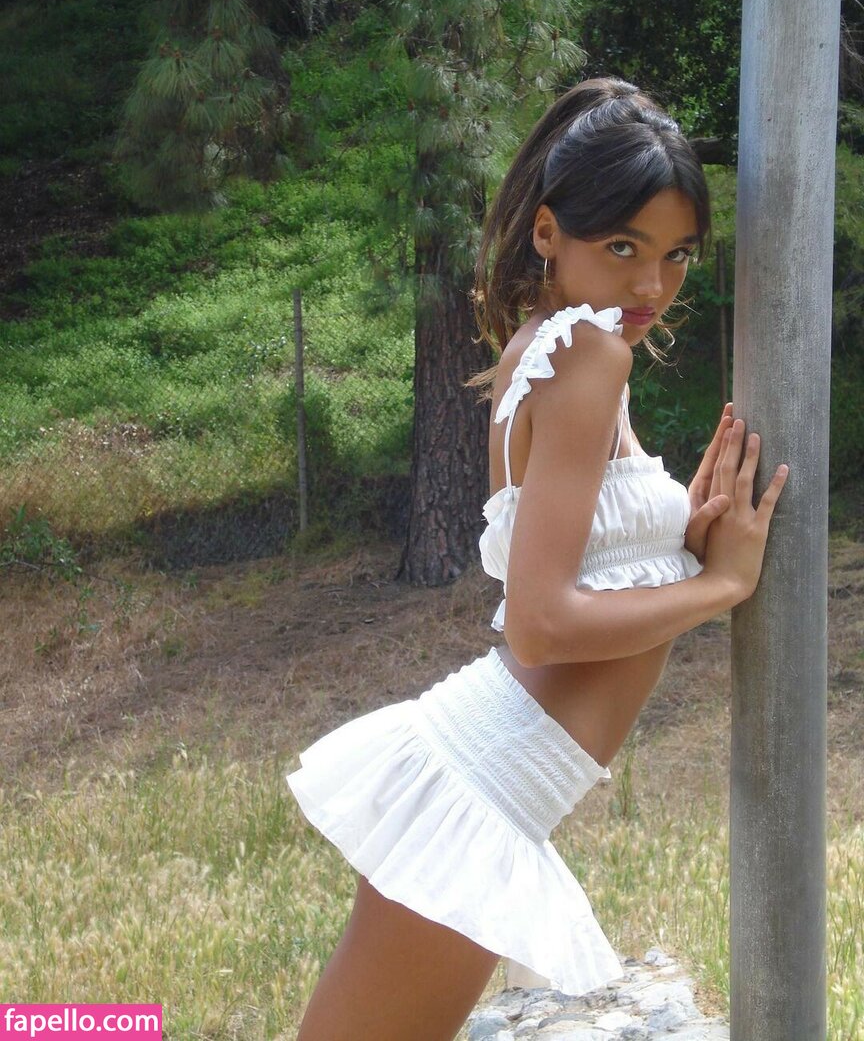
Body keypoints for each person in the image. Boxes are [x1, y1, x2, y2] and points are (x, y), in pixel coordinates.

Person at [285, 77, 789, 1041]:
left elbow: (579, 566)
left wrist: (680, 540)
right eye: (624, 248)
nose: (652, 287)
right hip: (483, 786)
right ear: (549, 233)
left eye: (677, 255)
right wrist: (721, 584)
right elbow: (541, 623)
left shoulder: (558, 345)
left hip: (488, 785)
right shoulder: (590, 355)